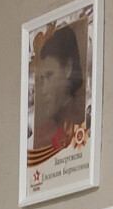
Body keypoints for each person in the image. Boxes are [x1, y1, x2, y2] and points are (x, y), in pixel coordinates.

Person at [33, 23, 84, 151]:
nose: (43, 90)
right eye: (41, 79)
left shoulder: (82, 118)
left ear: (68, 69)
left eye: (49, 76)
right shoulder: (41, 133)